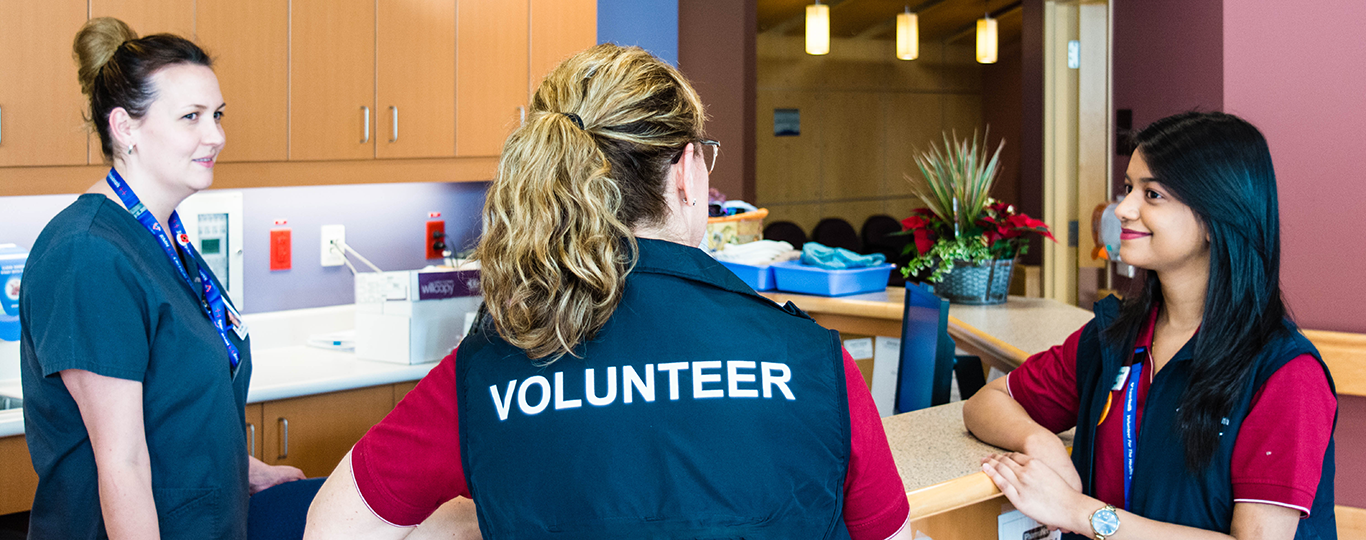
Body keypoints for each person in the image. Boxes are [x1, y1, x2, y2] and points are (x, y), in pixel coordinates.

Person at [303, 44, 913, 539]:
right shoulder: (810, 360)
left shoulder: (492, 368)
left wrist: (471, 520)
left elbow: (333, 529)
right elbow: (890, 535)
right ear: (684, 172)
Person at [963, 111, 1336, 539]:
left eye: (1152, 194)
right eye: (1128, 187)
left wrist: (1079, 511)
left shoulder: (1285, 373)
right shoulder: (1115, 336)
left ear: (1218, 218)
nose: (1122, 209)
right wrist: (1039, 441)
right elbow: (985, 403)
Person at [19, 17, 304, 539]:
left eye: (216, 114)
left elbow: (176, 409)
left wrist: (241, 469)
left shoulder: (162, 242)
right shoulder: (87, 255)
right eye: (190, 117)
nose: (215, 135)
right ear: (125, 127)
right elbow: (121, 463)